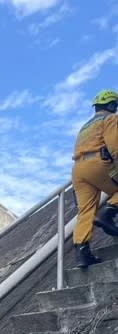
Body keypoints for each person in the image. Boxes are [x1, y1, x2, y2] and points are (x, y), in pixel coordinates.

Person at [71, 89, 118, 268]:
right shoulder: (110, 119)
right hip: (99, 164)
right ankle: (107, 213)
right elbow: (115, 147)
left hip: (78, 169)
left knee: (85, 211)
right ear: (112, 105)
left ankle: (83, 252)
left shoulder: (85, 126)